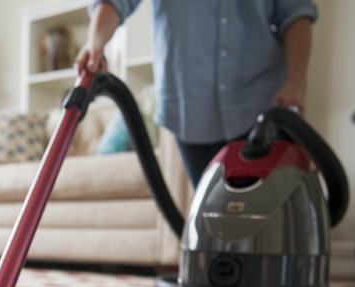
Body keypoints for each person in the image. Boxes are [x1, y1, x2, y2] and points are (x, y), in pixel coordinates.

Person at [76, 0, 317, 188]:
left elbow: (295, 12)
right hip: (189, 107)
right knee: (214, 219)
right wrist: (95, 44)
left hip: (263, 104)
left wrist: (295, 85)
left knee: (270, 217)